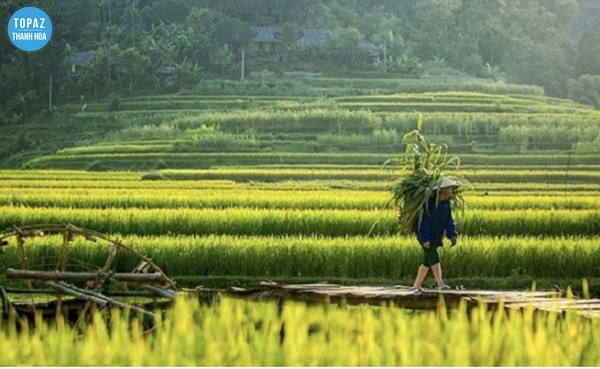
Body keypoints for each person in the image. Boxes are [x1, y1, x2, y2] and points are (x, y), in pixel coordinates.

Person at [412, 177, 459, 294]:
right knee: (434, 257)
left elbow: (449, 221)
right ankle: (440, 284)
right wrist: (425, 238)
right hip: (426, 237)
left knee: (427, 262)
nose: (447, 196)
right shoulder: (428, 205)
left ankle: (416, 285)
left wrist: (452, 234)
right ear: (438, 192)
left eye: (449, 194)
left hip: (437, 236)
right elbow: (423, 223)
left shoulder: (446, 205)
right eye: (445, 193)